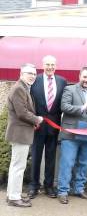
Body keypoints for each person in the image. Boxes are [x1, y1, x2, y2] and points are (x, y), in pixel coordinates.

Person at [57, 66, 87, 204]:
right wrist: (82, 108)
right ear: (80, 76)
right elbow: (64, 106)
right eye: (85, 77)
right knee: (68, 163)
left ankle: (79, 189)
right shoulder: (70, 89)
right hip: (71, 134)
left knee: (84, 163)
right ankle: (63, 191)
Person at [28, 55, 67, 199]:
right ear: (42, 65)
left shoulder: (62, 82)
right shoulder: (34, 80)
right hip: (37, 125)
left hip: (54, 126)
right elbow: (29, 103)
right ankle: (33, 186)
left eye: (52, 65)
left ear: (55, 66)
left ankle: (49, 186)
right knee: (36, 156)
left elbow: (64, 104)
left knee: (51, 157)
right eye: (47, 64)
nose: (50, 67)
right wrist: (31, 120)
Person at [6, 64, 43, 207]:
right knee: (18, 167)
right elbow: (21, 112)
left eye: (34, 73)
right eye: (29, 73)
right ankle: (14, 198)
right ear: (21, 73)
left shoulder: (23, 88)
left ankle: (12, 194)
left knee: (16, 166)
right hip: (20, 133)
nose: (33, 76)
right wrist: (37, 119)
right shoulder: (19, 88)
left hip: (20, 133)